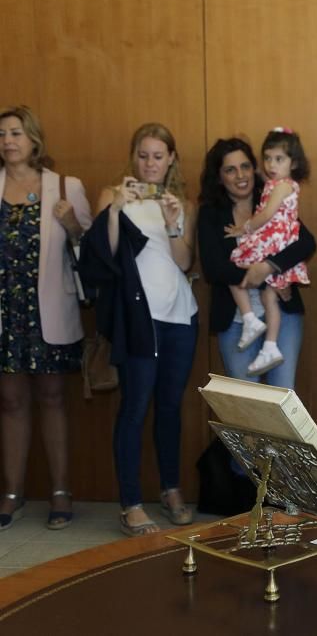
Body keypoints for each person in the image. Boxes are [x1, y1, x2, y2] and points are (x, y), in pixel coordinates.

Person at [79, 123, 198, 537]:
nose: (150, 163)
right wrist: (115, 209)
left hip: (180, 316)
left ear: (171, 160)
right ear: (134, 156)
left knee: (169, 407)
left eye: (158, 156)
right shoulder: (112, 195)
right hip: (137, 319)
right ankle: (130, 503)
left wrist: (171, 223)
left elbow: (183, 262)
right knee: (133, 408)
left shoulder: (180, 201)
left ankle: (170, 489)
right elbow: (104, 255)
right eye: (143, 155)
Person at [0, 105, 92, 531]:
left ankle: (60, 491)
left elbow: (89, 252)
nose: (8, 141)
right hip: (5, 312)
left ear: (34, 139)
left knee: (53, 399)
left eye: (15, 132)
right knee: (11, 400)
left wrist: (73, 224)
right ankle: (13, 494)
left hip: (47, 311)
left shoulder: (63, 187)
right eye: (2, 135)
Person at [198, 137, 316, 390]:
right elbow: (213, 267)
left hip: (282, 314)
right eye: (230, 169)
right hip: (236, 320)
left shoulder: (272, 197)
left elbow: (306, 243)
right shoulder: (210, 213)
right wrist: (260, 277)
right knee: (247, 403)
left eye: (245, 166)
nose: (240, 175)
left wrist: (269, 267)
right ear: (219, 177)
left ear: (255, 168)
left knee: (283, 395)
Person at [227, 128, 311, 376]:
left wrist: (246, 228)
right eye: (268, 158)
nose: (271, 165)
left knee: (238, 257)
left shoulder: (283, 186)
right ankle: (269, 343)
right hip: (274, 238)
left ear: (293, 162)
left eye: (279, 159)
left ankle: (251, 320)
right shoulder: (275, 185)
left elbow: (267, 215)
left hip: (273, 240)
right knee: (270, 296)